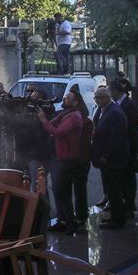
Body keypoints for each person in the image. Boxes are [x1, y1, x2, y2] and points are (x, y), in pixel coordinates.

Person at [37, 89, 85, 232]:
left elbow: (58, 132)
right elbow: (52, 123)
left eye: (67, 98)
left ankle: (70, 222)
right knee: (59, 190)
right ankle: (63, 220)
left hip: (68, 158)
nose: (64, 99)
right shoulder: (66, 113)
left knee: (62, 191)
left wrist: (43, 119)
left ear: (76, 102)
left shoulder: (74, 116)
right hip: (62, 156)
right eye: (65, 97)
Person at [92, 86, 130, 229]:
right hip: (106, 157)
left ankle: (118, 219)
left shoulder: (114, 112)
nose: (97, 100)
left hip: (113, 158)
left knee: (114, 189)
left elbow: (116, 137)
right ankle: (115, 216)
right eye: (95, 98)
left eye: (99, 97)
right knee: (111, 189)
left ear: (107, 97)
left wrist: (106, 155)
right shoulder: (103, 110)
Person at [111, 79, 138, 221]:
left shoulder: (129, 105)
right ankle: (122, 202)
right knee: (120, 177)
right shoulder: (116, 104)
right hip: (119, 146)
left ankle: (129, 205)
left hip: (129, 145)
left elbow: (131, 128)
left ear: (116, 91)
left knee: (128, 176)